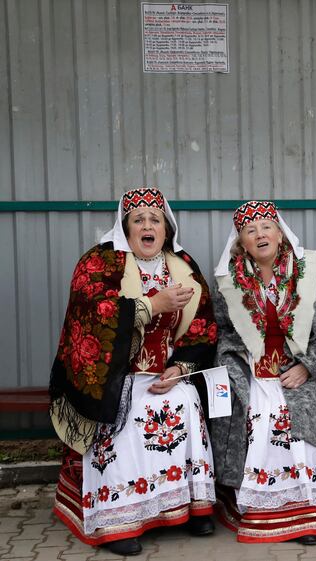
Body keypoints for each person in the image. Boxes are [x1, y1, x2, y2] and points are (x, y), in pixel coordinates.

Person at [50, 188, 218, 556]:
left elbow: (203, 324)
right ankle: (117, 518)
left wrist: (180, 367)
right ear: (125, 228)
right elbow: (91, 314)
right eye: (138, 219)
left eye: (154, 219)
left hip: (165, 372)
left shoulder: (183, 265)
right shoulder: (100, 262)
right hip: (115, 375)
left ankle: (190, 507)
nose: (147, 225)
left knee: (185, 401)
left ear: (167, 228)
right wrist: (150, 305)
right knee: (128, 412)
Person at [209, 200, 316, 545]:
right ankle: (256, 509)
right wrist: (239, 365)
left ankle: (302, 514)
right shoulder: (228, 280)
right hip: (252, 371)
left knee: (291, 418)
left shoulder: (310, 267)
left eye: (266, 227)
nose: (260, 235)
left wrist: (308, 366)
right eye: (250, 230)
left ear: (280, 232)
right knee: (258, 414)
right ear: (241, 242)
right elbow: (223, 333)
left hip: (297, 369)